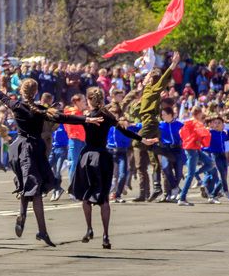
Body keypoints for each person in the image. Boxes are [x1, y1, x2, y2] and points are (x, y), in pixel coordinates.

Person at [0, 73, 100, 247]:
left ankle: (25, 218)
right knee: (33, 188)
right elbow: (63, 117)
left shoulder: (16, 105)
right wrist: (86, 119)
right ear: (35, 93)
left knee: (29, 185)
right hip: (33, 149)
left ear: (22, 91)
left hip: (20, 149)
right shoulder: (40, 109)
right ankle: (40, 230)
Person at [69, 87, 156, 250]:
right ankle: (106, 235)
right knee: (104, 199)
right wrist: (142, 139)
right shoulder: (107, 115)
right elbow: (124, 130)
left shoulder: (87, 116)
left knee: (86, 196)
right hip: (102, 156)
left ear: (88, 100)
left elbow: (67, 119)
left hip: (88, 156)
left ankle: (89, 228)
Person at [133, 52, 180, 202]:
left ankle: (166, 152)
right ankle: (159, 187)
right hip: (148, 122)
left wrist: (172, 65)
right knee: (154, 159)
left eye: (146, 76)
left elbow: (163, 80)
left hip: (150, 122)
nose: (144, 77)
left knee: (136, 142)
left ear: (151, 80)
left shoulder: (153, 89)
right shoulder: (146, 90)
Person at [177, 107, 216, 206]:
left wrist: (191, 141)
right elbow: (205, 134)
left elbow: (181, 133)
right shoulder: (197, 123)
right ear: (198, 114)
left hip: (192, 148)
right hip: (192, 149)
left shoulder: (187, 123)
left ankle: (195, 174)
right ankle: (182, 198)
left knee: (210, 163)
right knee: (190, 174)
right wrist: (202, 142)